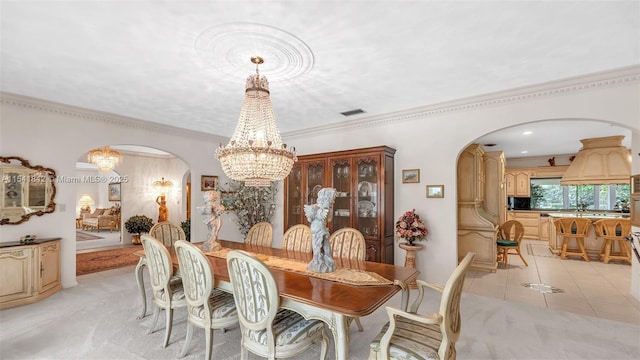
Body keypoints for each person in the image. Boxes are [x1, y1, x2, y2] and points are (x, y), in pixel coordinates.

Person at [304, 187, 337, 273]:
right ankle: (320, 260)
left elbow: (328, 219)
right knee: (321, 245)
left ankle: (322, 260)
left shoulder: (321, 208)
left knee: (321, 245)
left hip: (320, 228)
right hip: (318, 228)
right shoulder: (319, 208)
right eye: (332, 199)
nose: (333, 201)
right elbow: (327, 219)